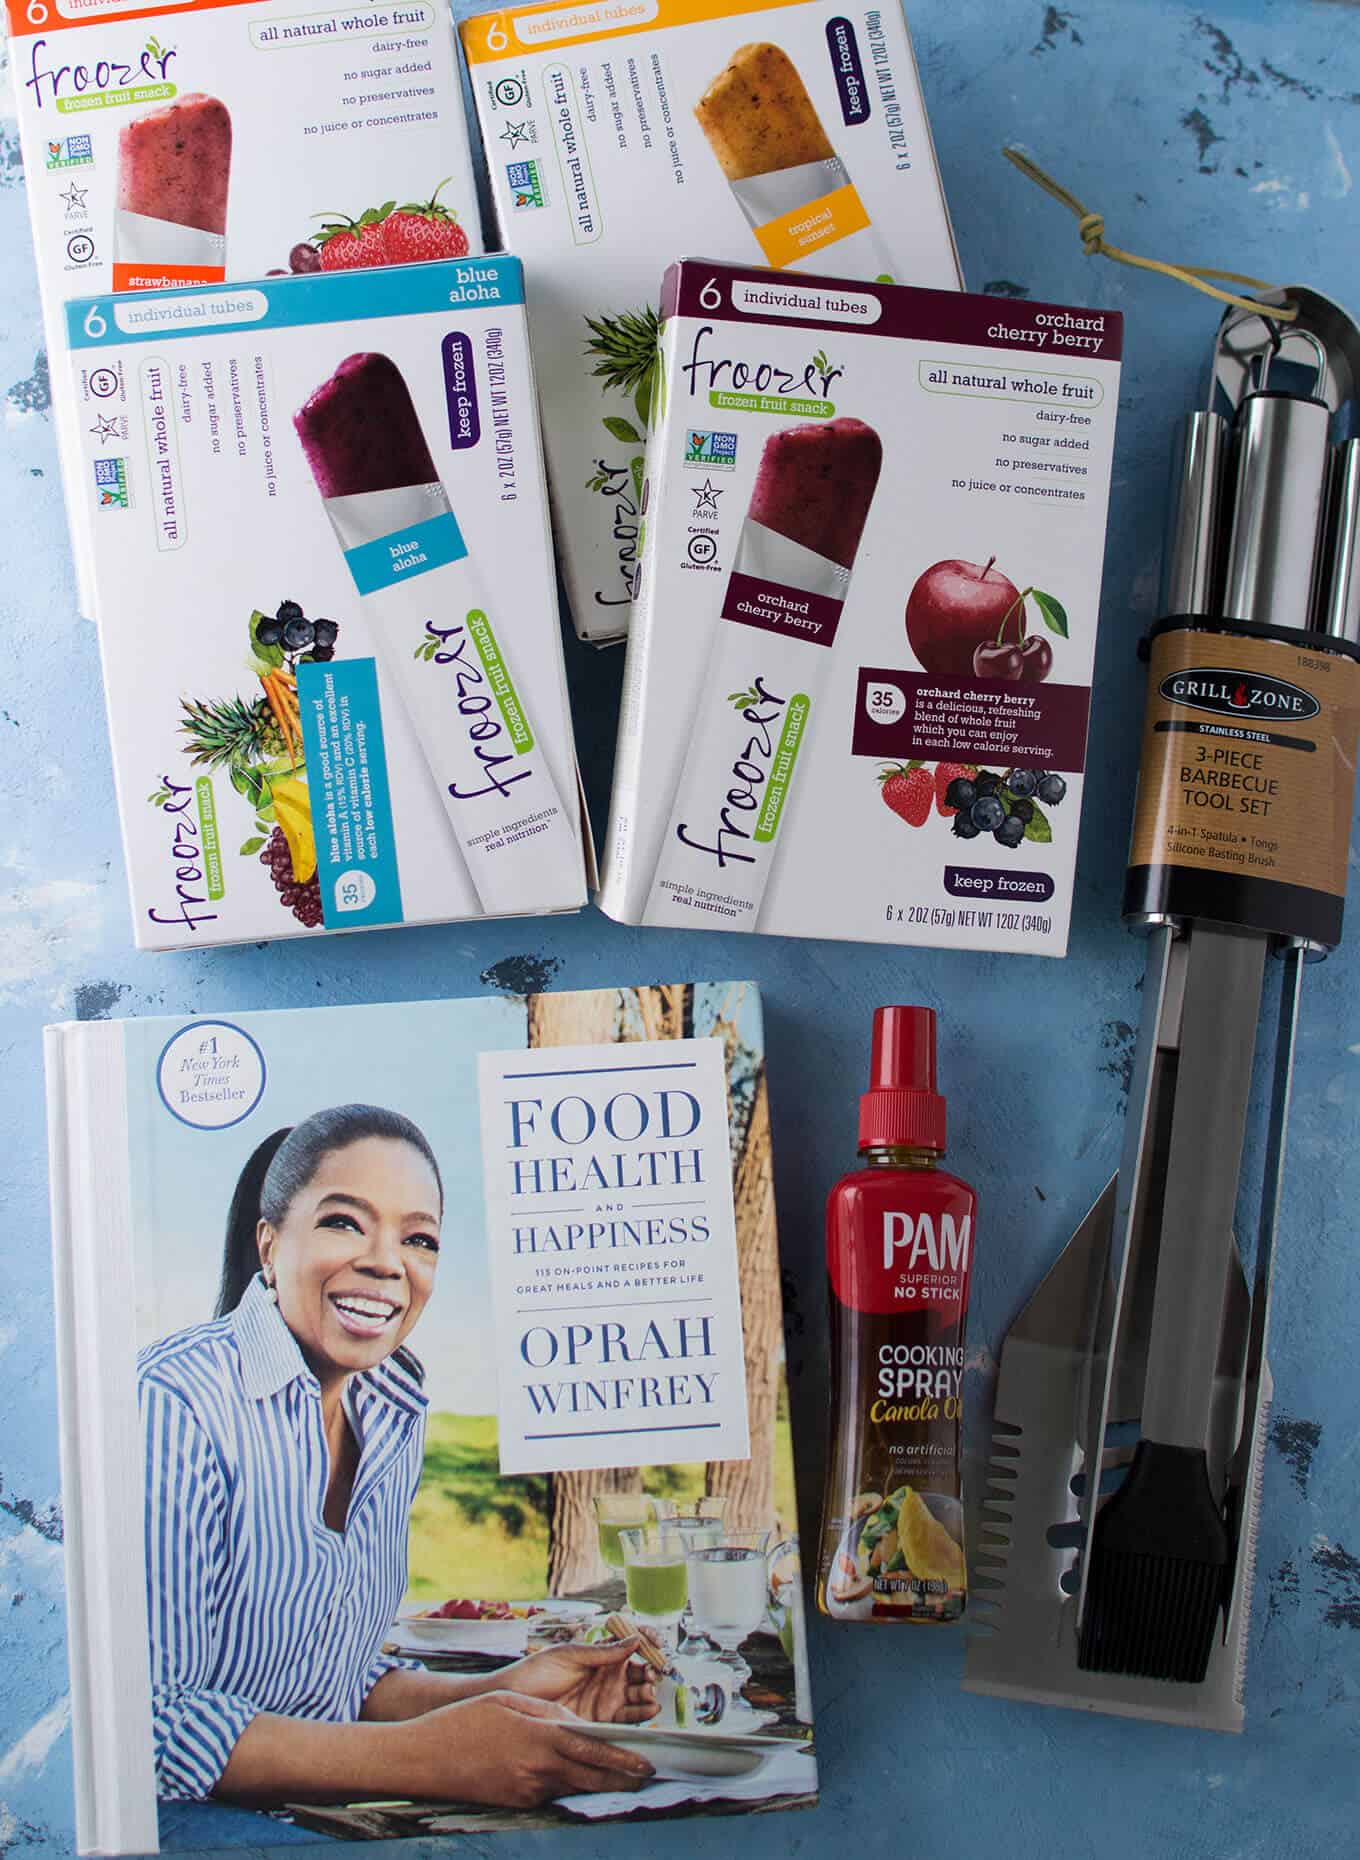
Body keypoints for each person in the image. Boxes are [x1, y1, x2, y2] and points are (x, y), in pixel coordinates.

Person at [138, 1103, 657, 1812]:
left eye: (419, 1238)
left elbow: (328, 1681)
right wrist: (428, 1759)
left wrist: (502, 1694)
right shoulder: (170, 1404)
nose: (386, 1262)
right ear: (269, 1244)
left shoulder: (389, 1409)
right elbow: (147, 1732)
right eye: (343, 1221)